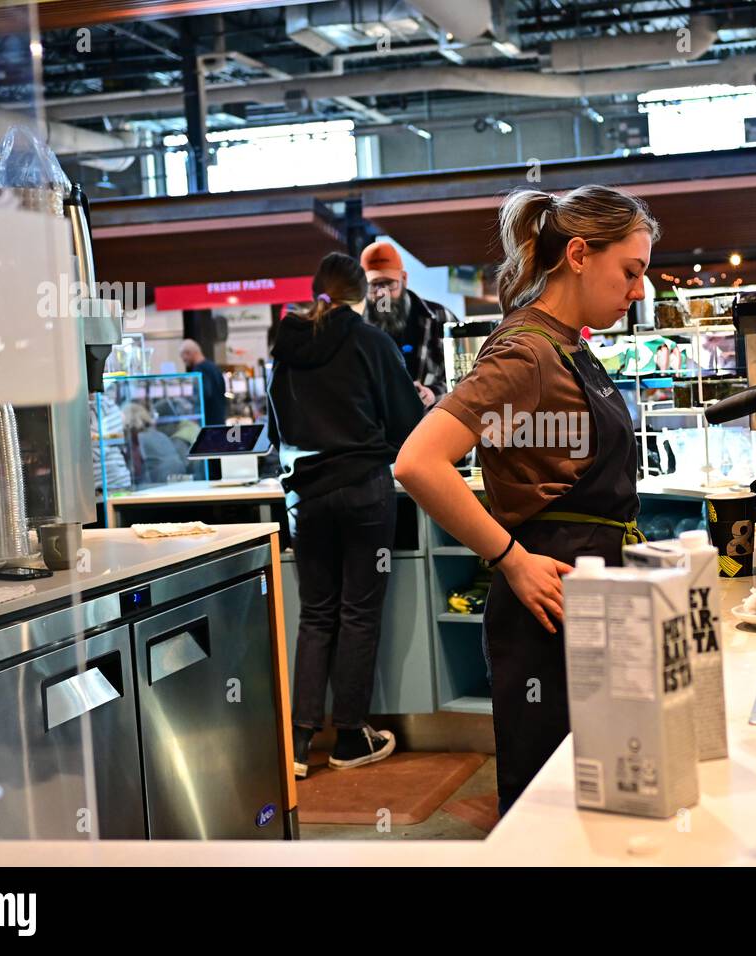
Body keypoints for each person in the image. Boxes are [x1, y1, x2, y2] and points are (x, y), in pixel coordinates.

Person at [396, 185, 658, 813]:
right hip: (549, 602)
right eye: (631, 271)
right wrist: (511, 558)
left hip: (587, 598)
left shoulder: (568, 342)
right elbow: (417, 463)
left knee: (597, 795)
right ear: (577, 254)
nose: (640, 290)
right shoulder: (526, 351)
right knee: (552, 800)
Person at [268, 252, 423, 776]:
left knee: (316, 615)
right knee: (357, 613)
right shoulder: (371, 342)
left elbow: (277, 430)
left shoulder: (286, 350)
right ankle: (351, 737)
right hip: (362, 492)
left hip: (304, 498)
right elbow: (408, 426)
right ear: (359, 295)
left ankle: (297, 743)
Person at [360, 240, 458, 409]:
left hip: (431, 425)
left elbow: (468, 376)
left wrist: (433, 393)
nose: (382, 293)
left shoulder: (440, 318)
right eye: (375, 285)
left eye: (389, 283)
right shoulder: (358, 330)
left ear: (404, 279)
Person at [121, 402, 187, 485]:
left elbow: (137, 470)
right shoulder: (159, 434)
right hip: (177, 479)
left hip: (159, 483)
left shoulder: (139, 438)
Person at [180, 338, 228, 426]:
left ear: (189, 353)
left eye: (184, 358)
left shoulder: (199, 370)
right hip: (219, 419)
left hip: (208, 422)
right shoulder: (214, 367)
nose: (184, 361)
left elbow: (203, 394)